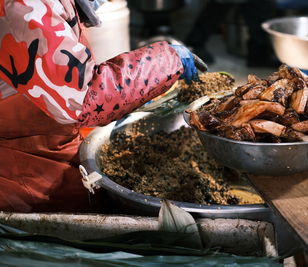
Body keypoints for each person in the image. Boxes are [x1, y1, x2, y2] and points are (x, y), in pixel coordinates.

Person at [0, 0, 204, 212]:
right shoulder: (26, 4)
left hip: (44, 138)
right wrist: (165, 62)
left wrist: (134, 95)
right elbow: (84, 99)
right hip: (23, 166)